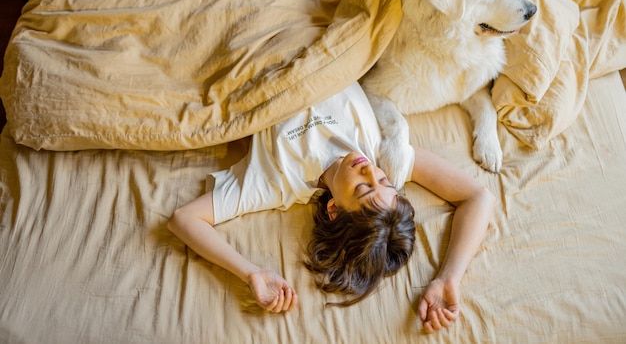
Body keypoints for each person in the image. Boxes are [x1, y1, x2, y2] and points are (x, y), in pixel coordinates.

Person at [167, 82, 495, 334]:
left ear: (335, 209)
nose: (369, 168)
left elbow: (184, 219)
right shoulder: (384, 154)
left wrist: (250, 271)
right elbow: (477, 197)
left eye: (364, 187)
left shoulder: (276, 182)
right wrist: (450, 277)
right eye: (383, 180)